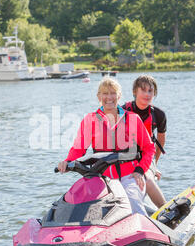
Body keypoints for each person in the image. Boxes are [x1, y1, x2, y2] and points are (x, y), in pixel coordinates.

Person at [57, 77, 155, 215]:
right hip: (102, 179)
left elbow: (149, 148)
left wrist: (139, 170)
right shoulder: (90, 120)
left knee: (133, 204)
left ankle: (143, 228)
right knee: (89, 210)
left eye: (113, 93)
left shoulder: (133, 118)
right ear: (99, 96)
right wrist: (67, 162)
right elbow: (79, 149)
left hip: (129, 177)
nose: (109, 97)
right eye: (105, 93)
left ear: (119, 96)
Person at [122, 75, 167, 208]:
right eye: (143, 90)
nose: (147, 94)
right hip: (126, 157)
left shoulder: (159, 115)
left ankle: (165, 210)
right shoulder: (123, 111)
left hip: (146, 157)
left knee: (146, 177)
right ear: (135, 91)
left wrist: (154, 165)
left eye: (150, 91)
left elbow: (161, 140)